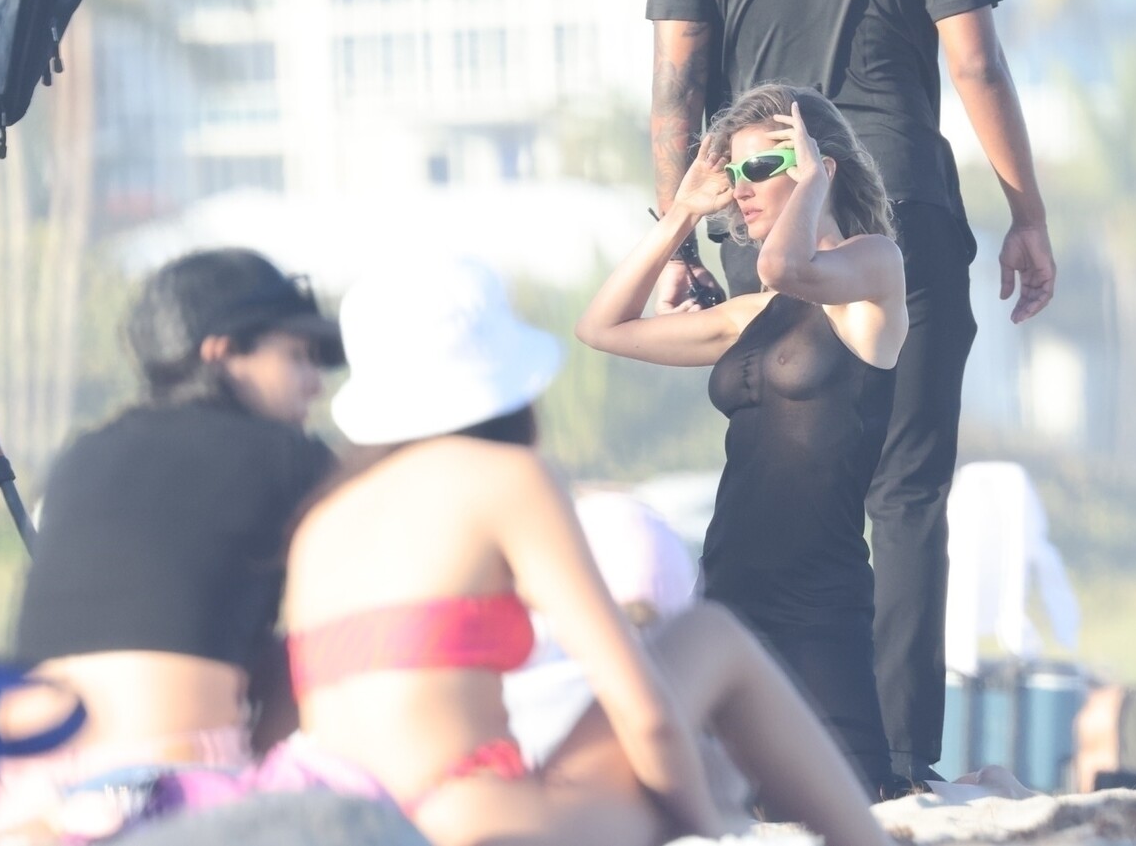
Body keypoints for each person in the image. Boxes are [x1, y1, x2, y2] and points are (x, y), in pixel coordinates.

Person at [646, 0, 1056, 789]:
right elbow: (975, 61)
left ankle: (768, 749)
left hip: (764, 216)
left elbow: (678, 81)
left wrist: (679, 237)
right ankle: (900, 758)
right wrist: (1026, 212)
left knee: (788, 484)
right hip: (902, 205)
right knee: (907, 489)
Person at [281, 257, 891, 846]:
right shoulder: (503, 477)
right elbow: (646, 712)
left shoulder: (321, 522)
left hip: (350, 827)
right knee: (709, 637)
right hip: (477, 825)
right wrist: (705, 823)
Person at [579, 83, 907, 796]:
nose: (741, 189)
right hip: (727, 592)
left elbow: (787, 266)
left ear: (820, 166)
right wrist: (684, 213)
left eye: (761, 167)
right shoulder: (749, 314)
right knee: (716, 804)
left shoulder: (875, 271)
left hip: (818, 604)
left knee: (859, 800)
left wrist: (813, 185)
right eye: (733, 173)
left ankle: (991, 788)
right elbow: (602, 326)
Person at [0, 249, 341, 837]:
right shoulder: (291, 458)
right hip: (168, 791)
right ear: (221, 352)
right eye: (296, 356)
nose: (314, 383)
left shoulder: (83, 454)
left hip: (21, 801)